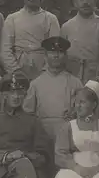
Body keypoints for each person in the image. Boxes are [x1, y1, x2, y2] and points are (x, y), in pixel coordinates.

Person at [23, 37, 83, 166]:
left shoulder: (75, 82)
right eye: (52, 52)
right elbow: (28, 114)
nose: (56, 56)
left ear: (65, 56)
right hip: (43, 134)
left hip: (67, 133)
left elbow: (83, 109)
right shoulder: (36, 84)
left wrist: (75, 113)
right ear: (45, 56)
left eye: (60, 52)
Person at [0, 0, 60, 80]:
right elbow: (5, 49)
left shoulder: (50, 19)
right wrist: (15, 71)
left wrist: (46, 71)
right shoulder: (12, 19)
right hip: (18, 66)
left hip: (42, 68)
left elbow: (55, 49)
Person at [61, 0, 99, 82]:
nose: (85, 2)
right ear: (75, 2)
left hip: (97, 77)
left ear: (94, 1)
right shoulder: (66, 27)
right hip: (73, 76)